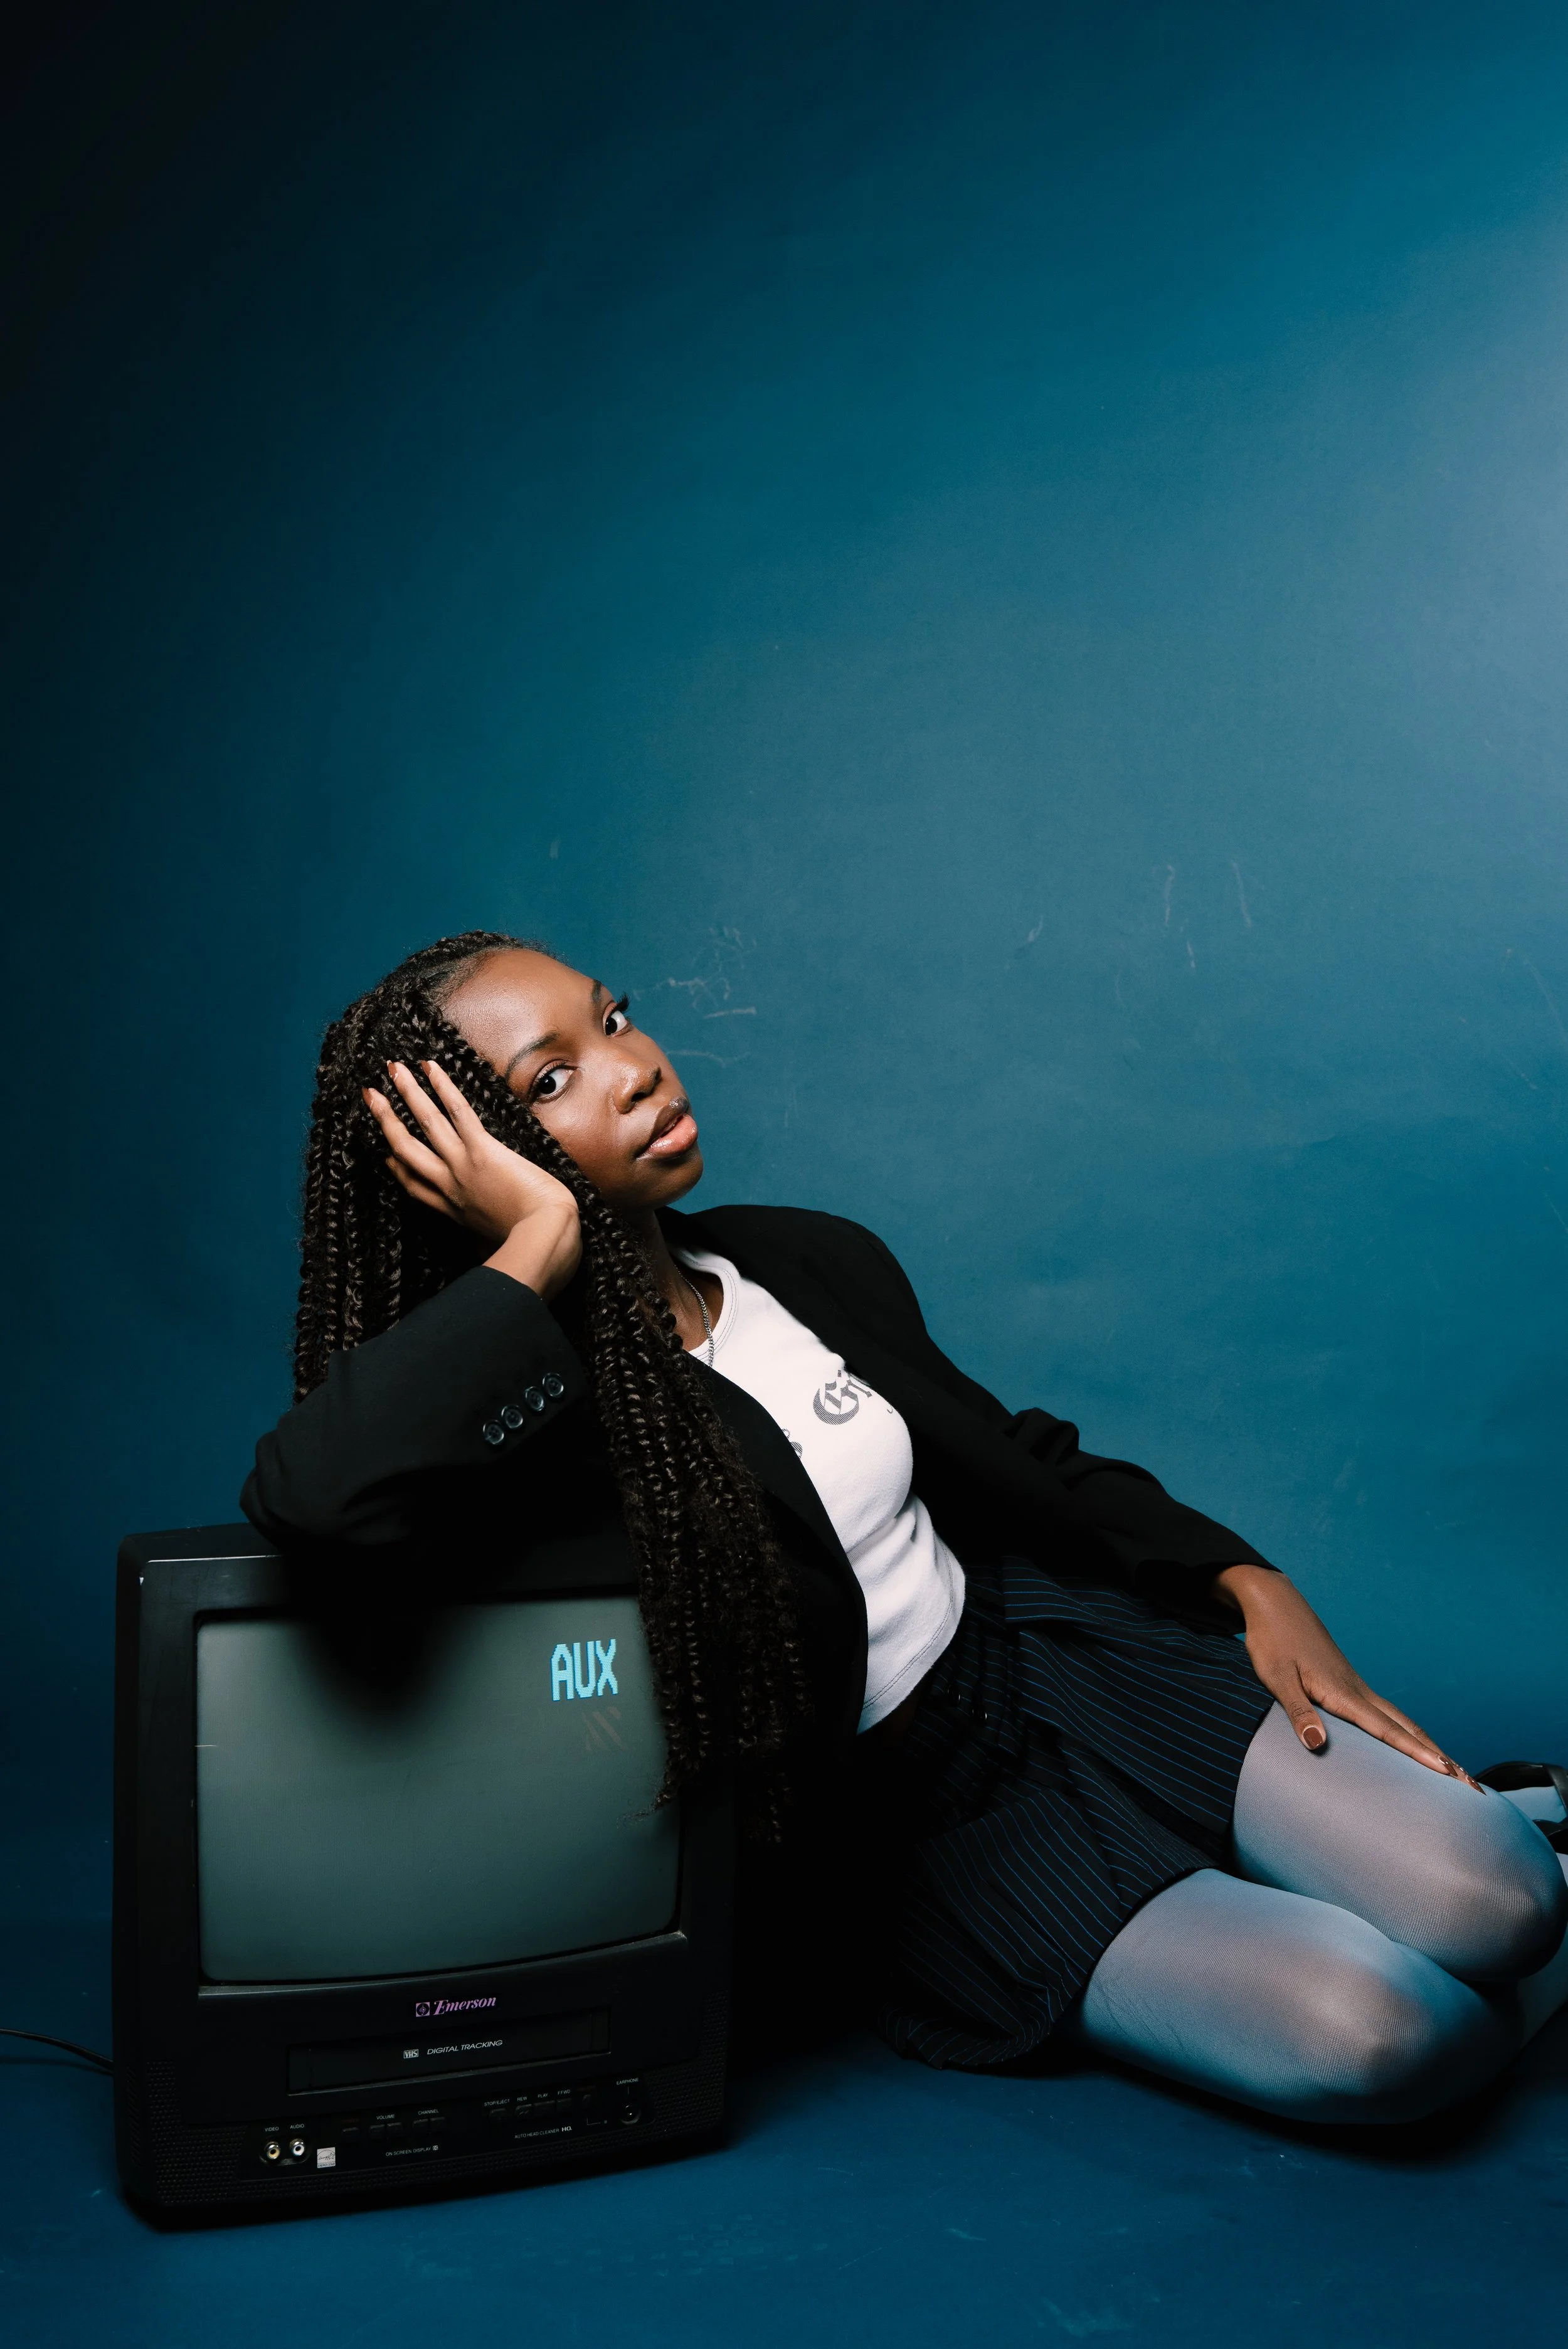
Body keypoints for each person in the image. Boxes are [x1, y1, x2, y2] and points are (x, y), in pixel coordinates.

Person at [244, 931, 1568, 2124]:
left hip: (1061, 1667)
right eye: (548, 1082)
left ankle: (1515, 1827)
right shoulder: (535, 1411)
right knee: (1380, 2038)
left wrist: (1240, 1576)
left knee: (1497, 1897)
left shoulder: (802, 1258)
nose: (633, 1067)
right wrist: (533, 1247)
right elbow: (319, 1498)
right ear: (452, 1163)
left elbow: (1014, 1458)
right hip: (923, 1841)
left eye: (615, 1018)